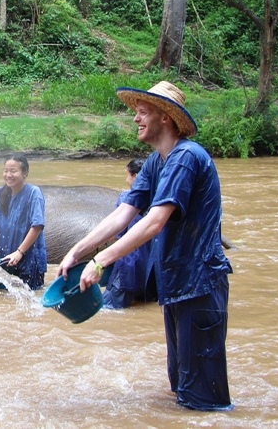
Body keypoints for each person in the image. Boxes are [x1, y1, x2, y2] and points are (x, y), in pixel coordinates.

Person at [57, 81, 233, 412]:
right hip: (178, 285)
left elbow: (154, 222)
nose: (135, 120)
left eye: (142, 112)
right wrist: (78, 251)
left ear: (166, 117)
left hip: (200, 285)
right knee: (180, 388)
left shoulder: (185, 157)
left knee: (202, 401)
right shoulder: (156, 162)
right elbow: (124, 214)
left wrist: (101, 262)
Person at [0, 154, 47, 290]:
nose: (8, 175)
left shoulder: (33, 193)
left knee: (30, 298)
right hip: (6, 259)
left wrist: (20, 252)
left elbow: (37, 226)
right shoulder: (1, 192)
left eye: (13, 171)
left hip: (29, 261)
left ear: (25, 173)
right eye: (5, 171)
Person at [102, 158, 155, 309]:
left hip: (128, 264)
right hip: (151, 269)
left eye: (127, 175)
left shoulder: (127, 197)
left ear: (136, 176)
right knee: (145, 308)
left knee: (107, 308)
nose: (126, 179)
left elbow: (118, 231)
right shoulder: (159, 200)